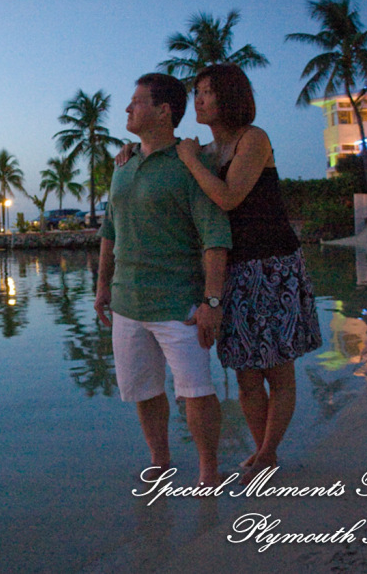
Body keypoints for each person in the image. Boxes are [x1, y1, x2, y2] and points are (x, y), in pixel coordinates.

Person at [122, 64, 321, 485]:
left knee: (278, 371)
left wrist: (191, 159)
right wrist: (132, 154)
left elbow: (228, 198)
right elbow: (174, 163)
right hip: (234, 271)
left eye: (207, 92)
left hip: (272, 266)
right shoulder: (208, 153)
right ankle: (259, 451)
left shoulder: (254, 139)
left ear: (229, 97)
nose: (199, 100)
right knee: (246, 374)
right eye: (197, 93)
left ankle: (268, 452)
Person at [95, 73, 232, 487]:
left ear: (163, 111)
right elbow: (109, 232)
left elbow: (214, 237)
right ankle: (160, 459)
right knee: (143, 389)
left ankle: (209, 470)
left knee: (196, 389)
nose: (127, 108)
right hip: (127, 303)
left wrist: (211, 302)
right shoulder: (123, 165)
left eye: (137, 101)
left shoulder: (191, 165)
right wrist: (102, 287)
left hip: (178, 302)